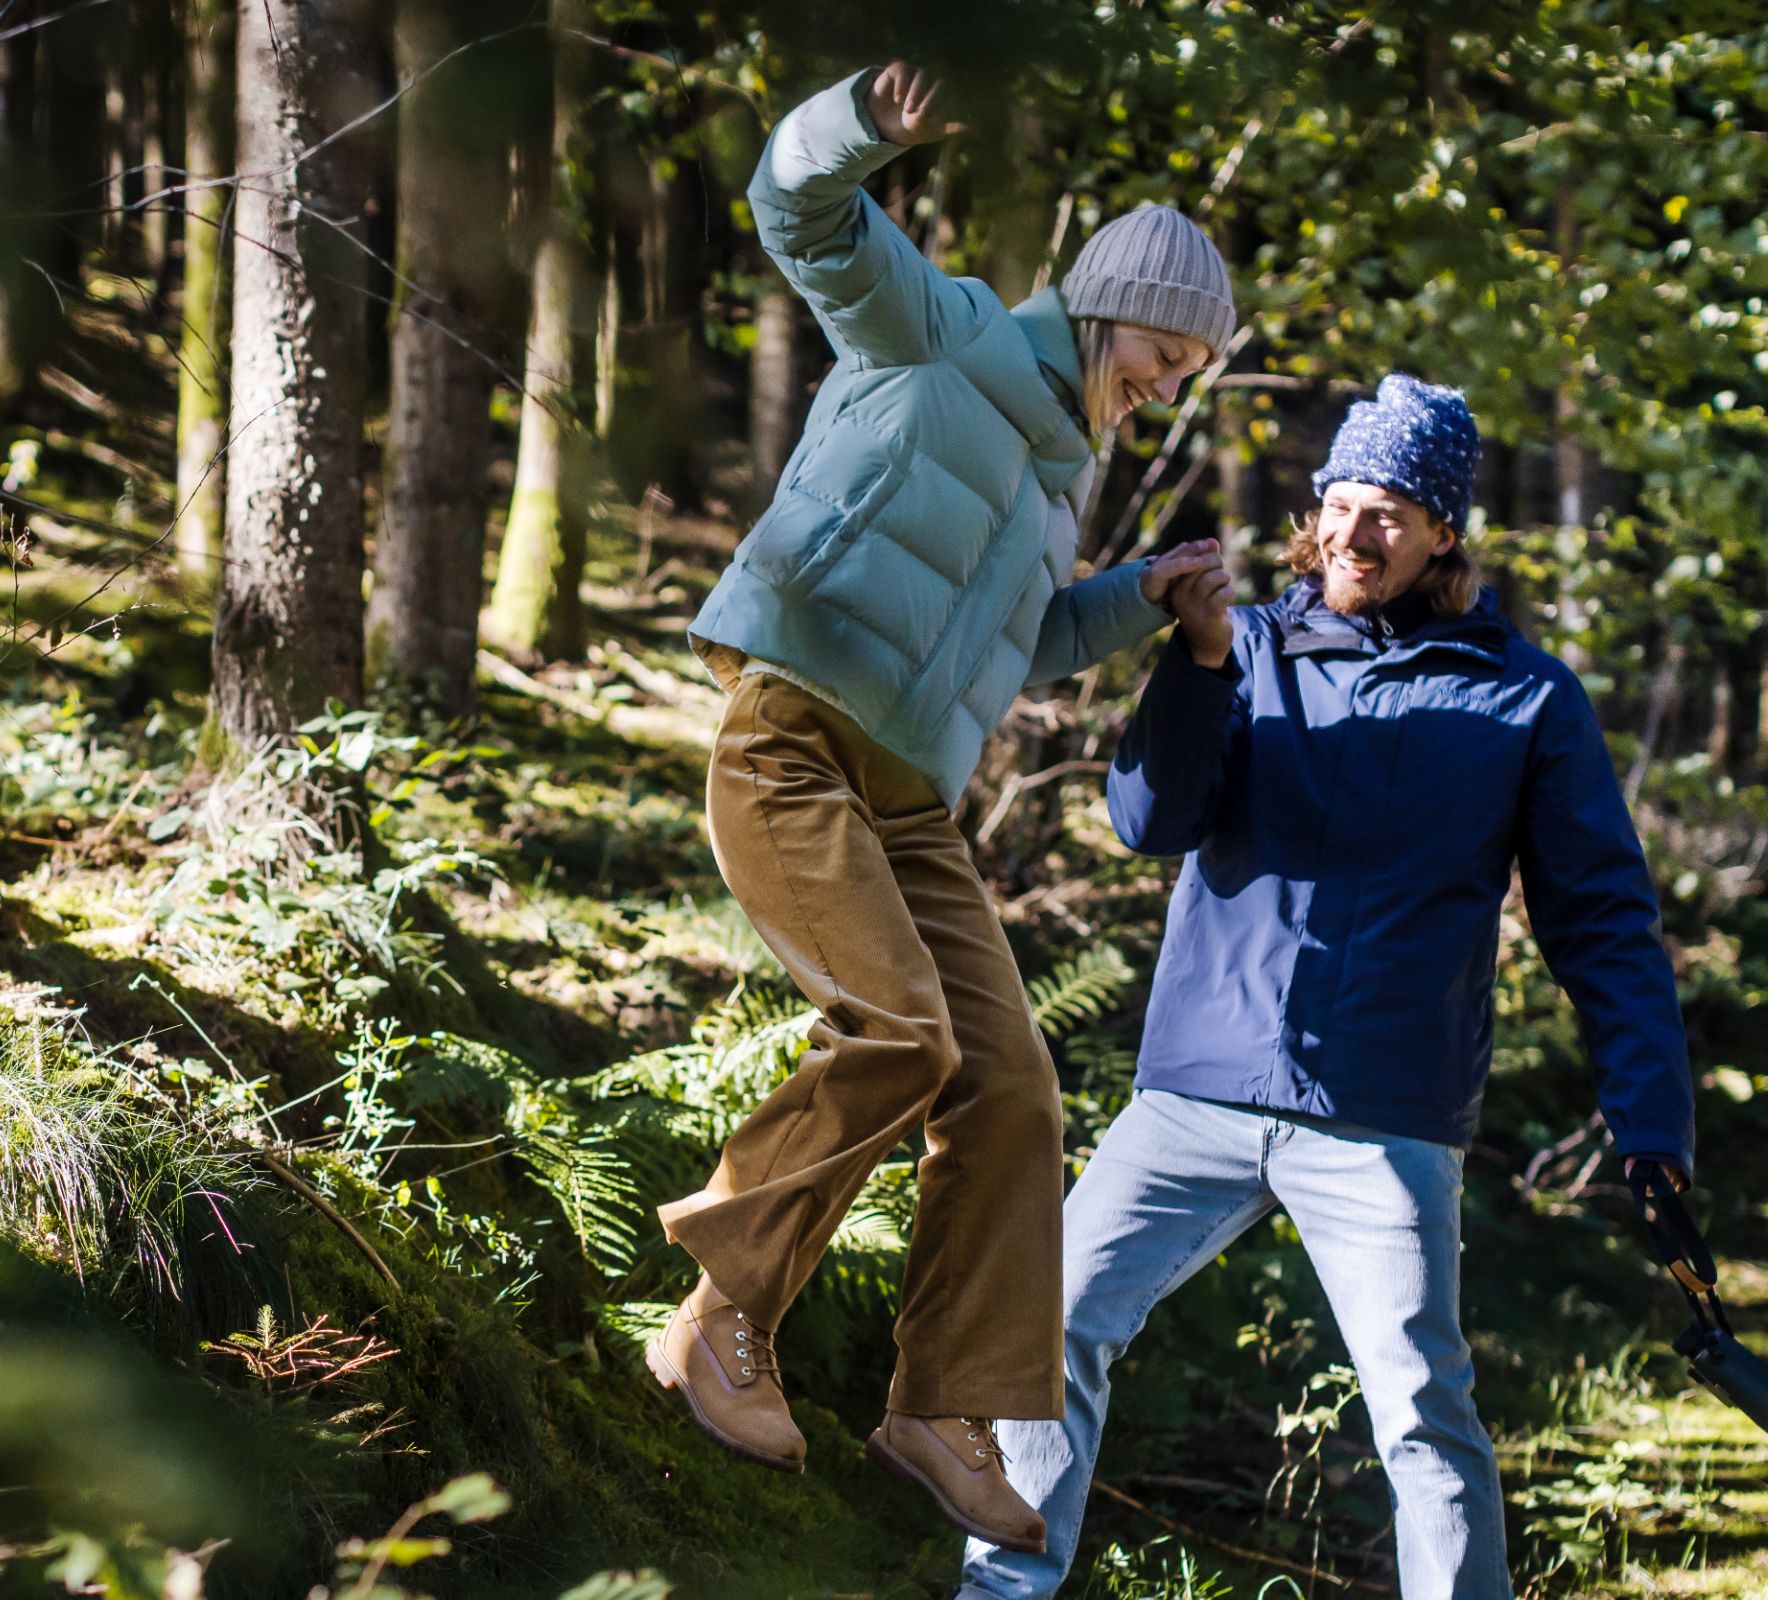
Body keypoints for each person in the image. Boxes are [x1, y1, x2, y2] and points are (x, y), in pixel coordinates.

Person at [957, 375, 1699, 1600]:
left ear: (1445, 533)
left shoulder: (1524, 696)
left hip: (1384, 1113)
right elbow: (1150, 819)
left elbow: (1603, 922)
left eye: (1393, 511)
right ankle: (1003, 1592)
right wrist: (1193, 664)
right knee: (1048, 1326)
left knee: (1420, 1412)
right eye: (1341, 503)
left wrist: (1652, 1115)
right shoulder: (1241, 648)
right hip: (1197, 1088)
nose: (1356, 534)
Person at [644, 60, 1241, 1554]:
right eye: (1170, 346)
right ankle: (719, 1314)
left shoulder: (1060, 475)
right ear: (1114, 302)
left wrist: (1139, 600)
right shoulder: (949, 331)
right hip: (791, 739)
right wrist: (865, 123)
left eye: (1192, 369)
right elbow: (795, 209)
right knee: (901, 1033)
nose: (1172, 381)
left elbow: (1018, 646)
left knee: (1013, 1089)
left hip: (913, 804)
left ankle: (943, 1404)